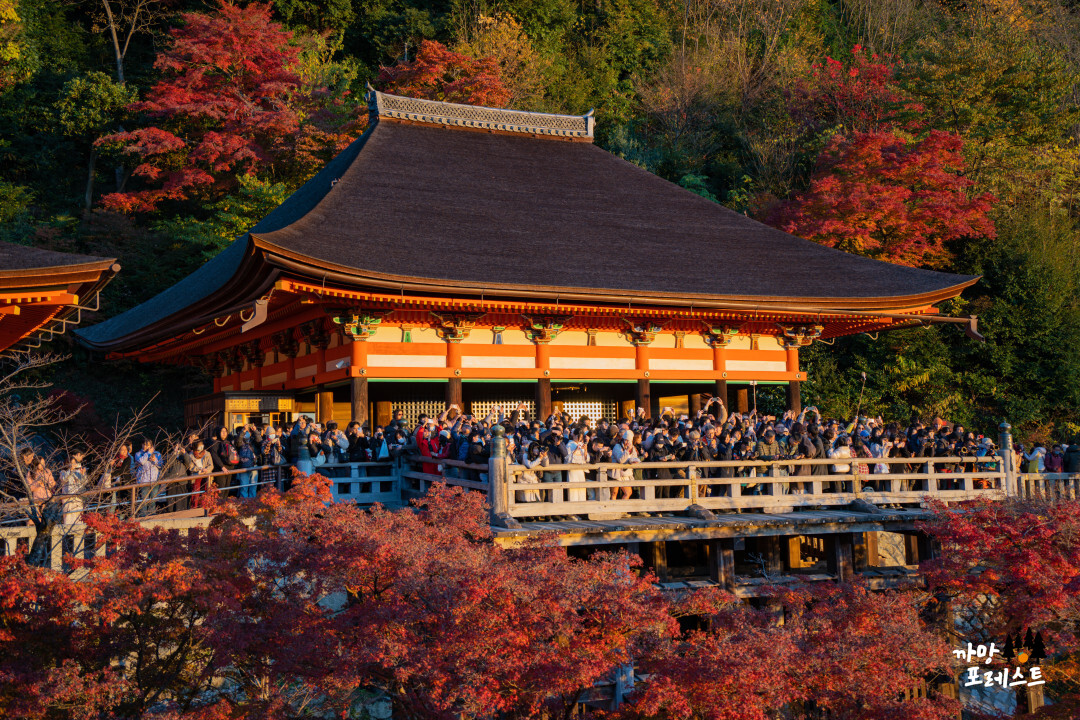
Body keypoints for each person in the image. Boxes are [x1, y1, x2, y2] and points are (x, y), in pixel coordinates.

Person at [133, 438, 164, 513]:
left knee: (152, 501)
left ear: (151, 446)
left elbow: (161, 465)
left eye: (147, 445)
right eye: (144, 444)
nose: (145, 446)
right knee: (143, 501)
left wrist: (155, 460)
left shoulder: (157, 454)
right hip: (143, 481)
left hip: (154, 481)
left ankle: (152, 517)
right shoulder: (138, 454)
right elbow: (141, 462)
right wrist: (148, 454)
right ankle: (143, 517)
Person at [58, 450, 86, 526]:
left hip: (77, 498)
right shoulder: (63, 472)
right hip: (68, 499)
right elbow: (64, 479)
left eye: (75, 463)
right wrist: (70, 470)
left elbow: (83, 483)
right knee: (68, 520)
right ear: (68, 463)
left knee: (78, 519)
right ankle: (68, 537)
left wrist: (83, 475)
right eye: (72, 463)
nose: (74, 465)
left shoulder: (77, 472)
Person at [565, 428, 589, 503]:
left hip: (580, 470)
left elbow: (587, 459)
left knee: (581, 490)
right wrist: (575, 450)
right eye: (578, 436)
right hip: (573, 470)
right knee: (573, 490)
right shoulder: (569, 445)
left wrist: (585, 450)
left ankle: (581, 510)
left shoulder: (582, 445)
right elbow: (567, 459)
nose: (580, 439)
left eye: (581, 437)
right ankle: (573, 511)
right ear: (574, 435)